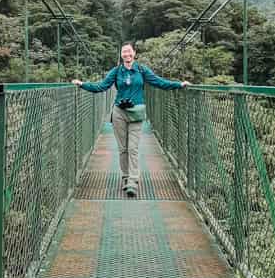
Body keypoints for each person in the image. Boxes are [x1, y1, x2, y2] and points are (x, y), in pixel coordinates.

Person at [72, 42, 189, 198]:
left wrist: (179, 84)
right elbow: (101, 86)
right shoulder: (116, 72)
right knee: (123, 149)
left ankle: (133, 181)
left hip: (136, 113)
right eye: (124, 52)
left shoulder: (141, 70)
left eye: (129, 51)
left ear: (134, 53)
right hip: (119, 112)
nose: (126, 54)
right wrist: (82, 84)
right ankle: (126, 177)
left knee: (133, 148)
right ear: (121, 55)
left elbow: (159, 82)